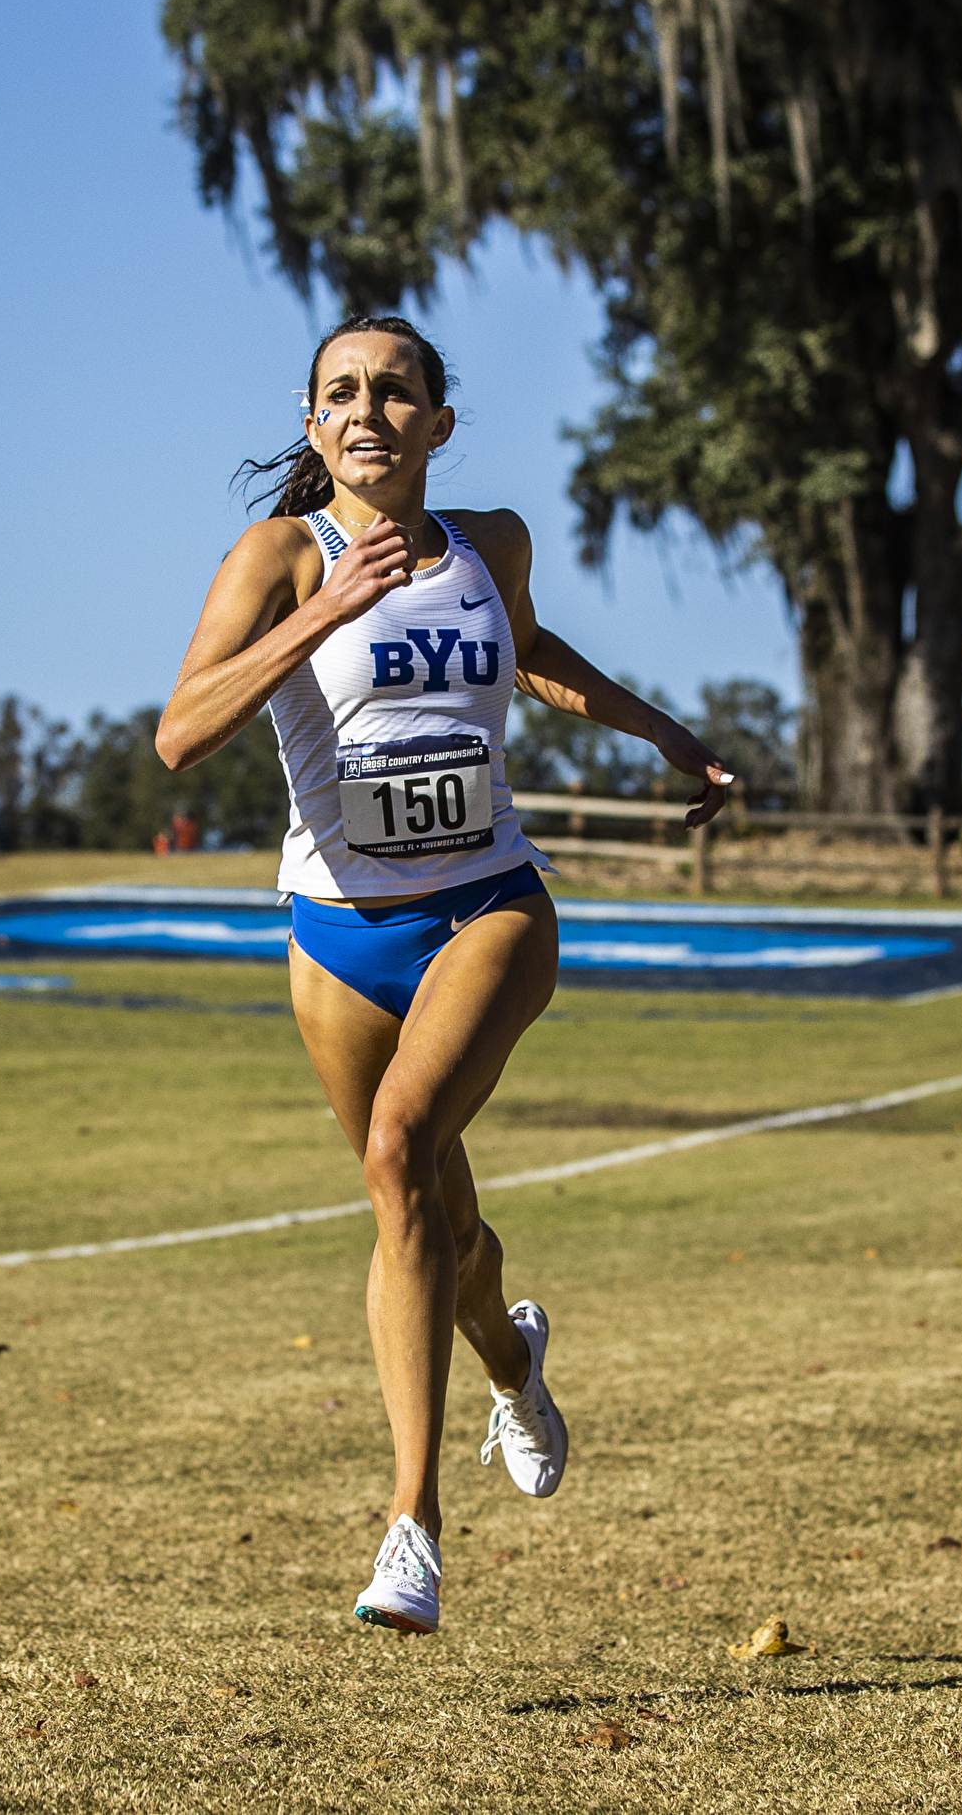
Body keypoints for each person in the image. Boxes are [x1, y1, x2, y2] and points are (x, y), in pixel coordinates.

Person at [155, 314, 734, 1636]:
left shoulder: (492, 544)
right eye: (342, 393)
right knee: (434, 1218)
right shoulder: (276, 557)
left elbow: (530, 650)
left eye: (397, 390)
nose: (369, 410)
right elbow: (182, 732)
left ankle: (410, 1526)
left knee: (404, 1144)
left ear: (437, 423)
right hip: (339, 934)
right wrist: (331, 607)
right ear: (316, 428)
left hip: (490, 905)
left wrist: (664, 733)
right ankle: (512, 1358)